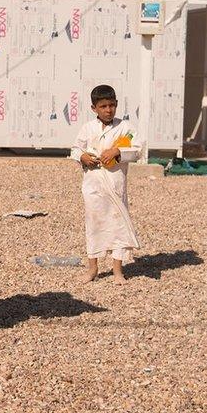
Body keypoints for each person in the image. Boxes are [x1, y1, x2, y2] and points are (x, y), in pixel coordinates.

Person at [71, 84, 143, 285]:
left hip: (115, 184)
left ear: (117, 104)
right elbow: (75, 149)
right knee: (94, 224)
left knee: (118, 224)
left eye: (112, 105)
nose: (108, 110)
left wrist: (118, 152)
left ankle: (117, 270)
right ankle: (92, 268)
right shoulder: (87, 128)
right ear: (94, 108)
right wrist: (83, 156)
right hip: (93, 184)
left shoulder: (125, 128)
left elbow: (137, 150)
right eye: (103, 106)